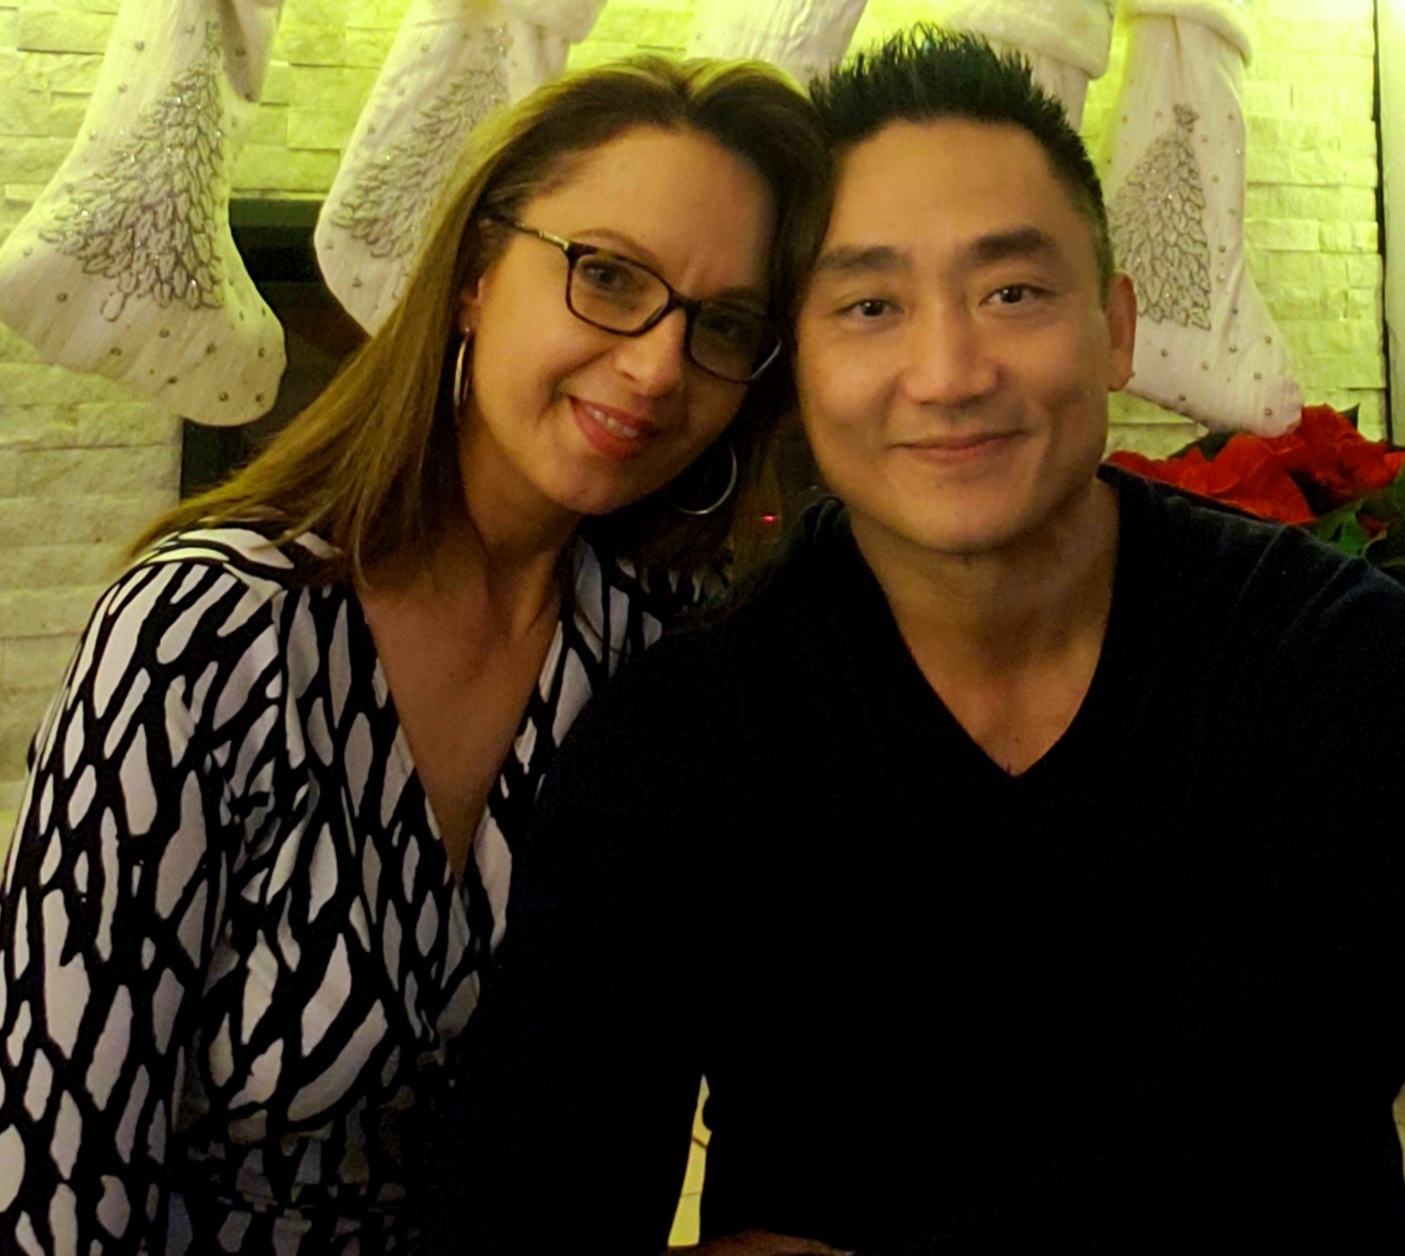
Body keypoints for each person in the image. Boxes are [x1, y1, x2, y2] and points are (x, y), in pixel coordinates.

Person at [429, 28, 1405, 1256]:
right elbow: (533, 1193)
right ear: (794, 370)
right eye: (869, 306)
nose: (948, 373)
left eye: (1012, 293)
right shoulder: (691, 723)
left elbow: (1258, 1141)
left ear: (1115, 327)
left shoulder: (1323, 660)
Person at [0, 54, 829, 1254]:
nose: (656, 364)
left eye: (723, 323)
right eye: (605, 274)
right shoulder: (203, 634)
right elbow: (51, 1170)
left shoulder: (657, 650)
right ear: (477, 277)